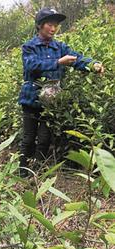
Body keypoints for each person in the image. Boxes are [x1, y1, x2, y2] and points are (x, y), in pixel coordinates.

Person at [18, 8, 104, 177]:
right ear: (40, 25)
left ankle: (38, 173)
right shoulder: (29, 47)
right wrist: (58, 62)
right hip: (31, 99)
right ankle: (22, 172)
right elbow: (31, 66)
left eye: (56, 25)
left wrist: (93, 64)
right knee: (28, 138)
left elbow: (76, 58)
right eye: (50, 24)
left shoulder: (60, 47)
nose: (53, 28)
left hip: (51, 101)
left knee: (44, 139)